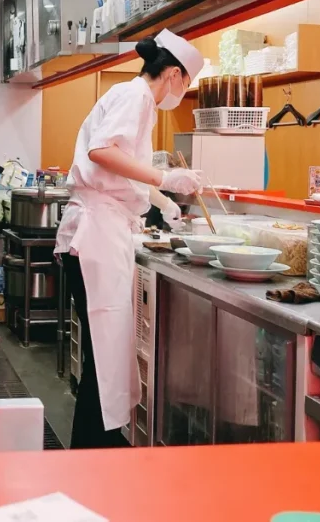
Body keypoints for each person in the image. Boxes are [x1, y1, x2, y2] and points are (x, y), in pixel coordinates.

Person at [55, 29, 204, 449]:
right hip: (96, 236)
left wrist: (162, 199)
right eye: (186, 83)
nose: (182, 91)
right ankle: (94, 452)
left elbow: (119, 168)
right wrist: (163, 177)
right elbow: (101, 152)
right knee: (104, 355)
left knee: (105, 354)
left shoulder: (136, 100)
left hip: (99, 234)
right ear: (173, 74)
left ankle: (96, 446)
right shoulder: (136, 97)